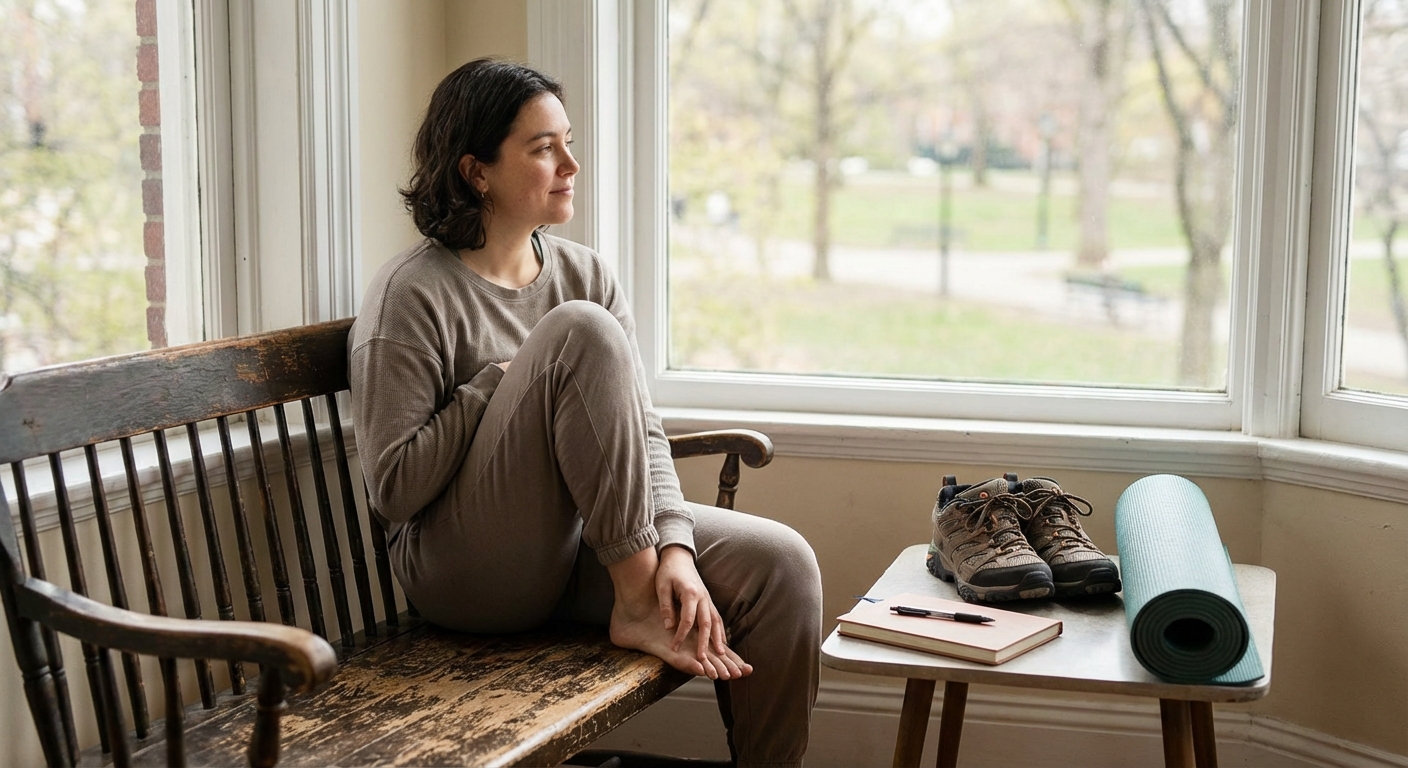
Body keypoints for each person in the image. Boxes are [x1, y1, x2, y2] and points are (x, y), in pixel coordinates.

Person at [347, 58, 822, 767]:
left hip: (580, 546)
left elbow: (643, 432)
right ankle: (637, 601)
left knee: (781, 566)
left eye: (566, 141)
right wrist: (494, 386)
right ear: (477, 171)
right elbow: (393, 488)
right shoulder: (411, 295)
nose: (571, 163)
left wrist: (677, 548)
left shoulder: (584, 272)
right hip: (464, 571)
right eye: (543, 149)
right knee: (581, 331)